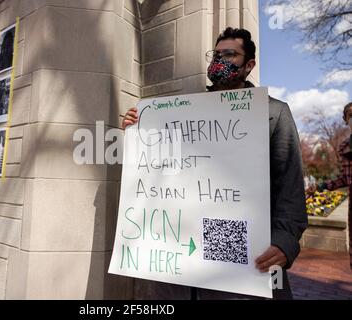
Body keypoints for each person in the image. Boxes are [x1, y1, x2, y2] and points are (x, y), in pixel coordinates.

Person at [121, 27, 308, 300]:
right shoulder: (184, 113)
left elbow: (290, 188)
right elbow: (161, 166)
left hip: (245, 255)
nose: (219, 61)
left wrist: (285, 242)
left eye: (230, 54)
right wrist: (139, 130)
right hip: (185, 257)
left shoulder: (274, 113)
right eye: (216, 54)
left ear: (249, 65)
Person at [315, 102, 352, 270]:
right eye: (350, 115)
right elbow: (344, 179)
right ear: (346, 120)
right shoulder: (344, 147)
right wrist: (320, 186)